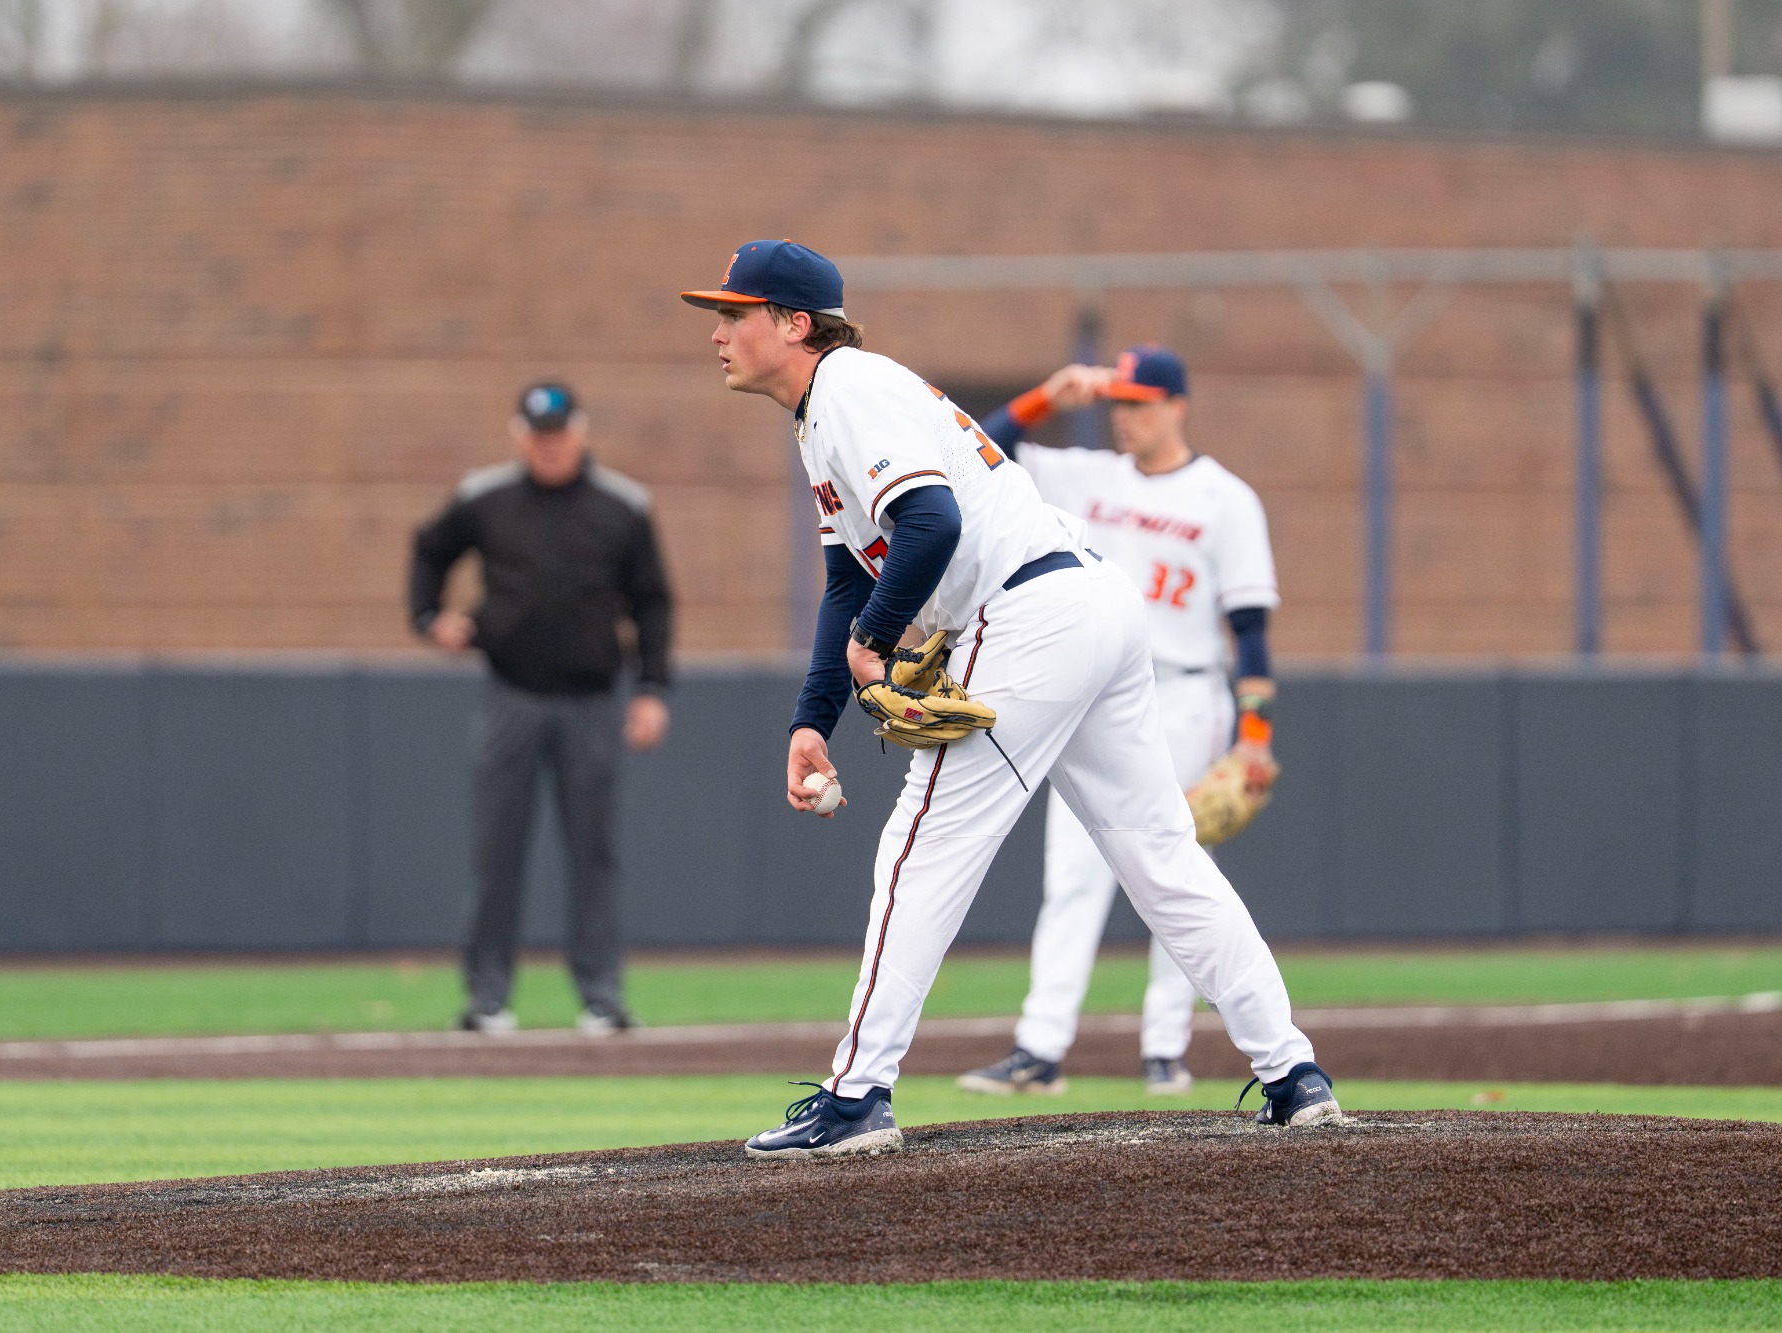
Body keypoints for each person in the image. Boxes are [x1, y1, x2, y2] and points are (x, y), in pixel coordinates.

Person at [678, 239, 1339, 1160]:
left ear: (794, 324)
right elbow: (843, 583)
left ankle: (857, 1092)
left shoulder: (849, 388)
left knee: (921, 844)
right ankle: (1294, 1073)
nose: (716, 331)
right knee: (1160, 853)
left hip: (1030, 613)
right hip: (1094, 604)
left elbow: (932, 521)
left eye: (734, 313)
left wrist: (874, 642)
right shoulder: (828, 410)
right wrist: (811, 720)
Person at [955, 348, 1280, 1098]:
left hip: (1186, 691)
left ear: (1177, 405)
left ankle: (1166, 1044)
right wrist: (1045, 397)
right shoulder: (1085, 474)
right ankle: (1040, 1047)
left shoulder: (1225, 498)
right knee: (1072, 875)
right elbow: (980, 452)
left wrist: (1255, 733)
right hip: (1091, 687)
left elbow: (1251, 625)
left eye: (1139, 403)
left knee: (1177, 862)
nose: (1125, 417)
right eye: (1118, 404)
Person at [409, 382, 673, 1036]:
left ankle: (601, 997)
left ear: (580, 432)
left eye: (558, 432)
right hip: (511, 695)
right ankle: (487, 998)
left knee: (594, 853)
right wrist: (427, 617)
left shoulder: (623, 506)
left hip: (591, 700)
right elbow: (429, 547)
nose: (549, 445)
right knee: (496, 852)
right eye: (537, 433)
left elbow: (653, 601)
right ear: (519, 435)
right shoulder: (485, 497)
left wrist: (652, 689)